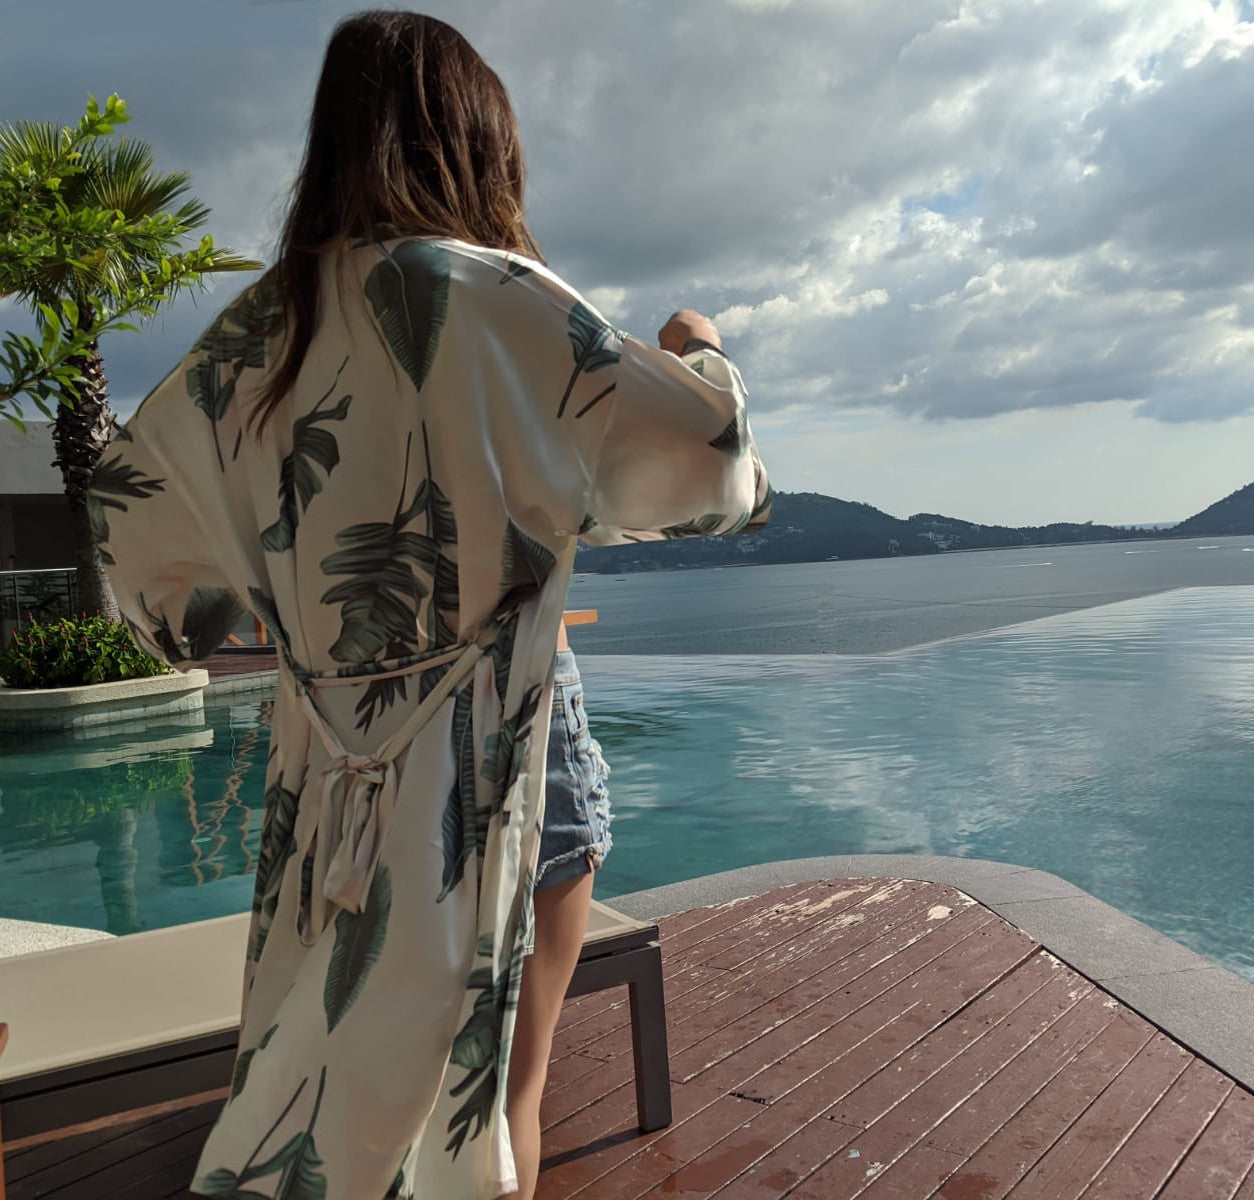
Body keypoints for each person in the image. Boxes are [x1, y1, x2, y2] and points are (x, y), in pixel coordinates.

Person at [89, 10, 770, 1199]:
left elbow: (129, 531)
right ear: (477, 141)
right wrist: (699, 347)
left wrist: (280, 607)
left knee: (340, 1099)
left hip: (331, 769)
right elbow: (712, 475)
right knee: (500, 1101)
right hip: (496, 743)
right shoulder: (487, 295)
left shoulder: (258, 334)